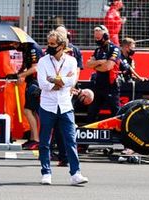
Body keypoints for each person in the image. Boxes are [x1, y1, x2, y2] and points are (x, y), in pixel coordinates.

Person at [37, 30, 88, 185]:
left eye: (53, 44)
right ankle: (46, 173)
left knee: (71, 140)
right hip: (47, 106)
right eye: (49, 43)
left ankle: (75, 174)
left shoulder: (72, 61)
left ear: (62, 45)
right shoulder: (43, 61)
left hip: (65, 105)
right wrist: (59, 82)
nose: (49, 47)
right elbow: (42, 84)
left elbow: (72, 81)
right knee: (45, 141)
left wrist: (55, 80)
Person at [52, 25, 84, 166]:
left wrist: (71, 86)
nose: (58, 36)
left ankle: (68, 155)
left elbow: (76, 72)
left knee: (67, 125)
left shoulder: (74, 51)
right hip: (54, 92)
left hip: (69, 92)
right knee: (56, 125)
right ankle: (61, 155)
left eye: (61, 34)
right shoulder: (51, 50)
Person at [86, 25, 121, 123]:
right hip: (98, 85)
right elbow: (88, 64)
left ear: (105, 36)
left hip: (111, 85)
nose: (97, 40)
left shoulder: (114, 49)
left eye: (99, 38)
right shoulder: (98, 50)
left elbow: (108, 67)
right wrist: (99, 62)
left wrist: (95, 65)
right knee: (91, 112)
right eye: (96, 38)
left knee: (116, 113)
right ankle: (89, 134)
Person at [17, 42, 44, 150]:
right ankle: (33, 138)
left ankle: (36, 140)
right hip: (31, 82)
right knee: (31, 111)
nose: (15, 46)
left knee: (29, 110)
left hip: (36, 83)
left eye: (15, 44)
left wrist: (21, 75)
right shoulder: (26, 49)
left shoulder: (33, 49)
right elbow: (25, 66)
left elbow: (35, 68)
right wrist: (17, 75)